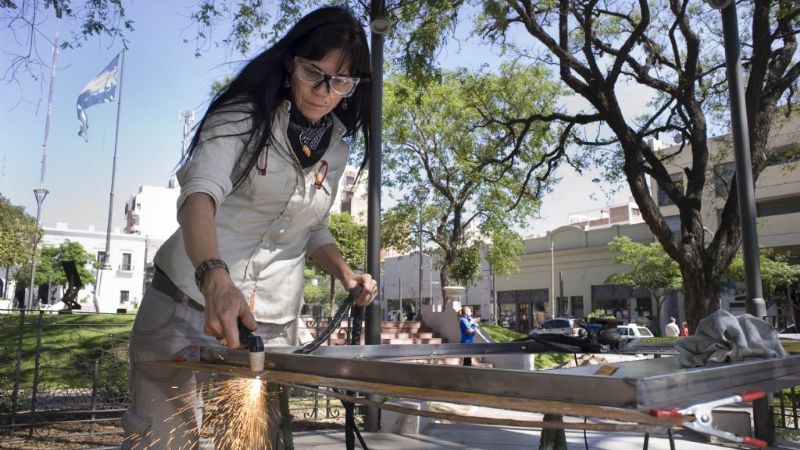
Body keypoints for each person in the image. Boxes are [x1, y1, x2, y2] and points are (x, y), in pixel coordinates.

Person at [121, 7, 377, 449]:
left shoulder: (336, 148)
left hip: (270, 325)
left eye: (340, 82)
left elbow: (310, 227)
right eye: (313, 72)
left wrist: (346, 273)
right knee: (163, 441)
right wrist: (214, 277)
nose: (323, 90)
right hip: (186, 304)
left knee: (250, 442)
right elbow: (199, 195)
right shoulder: (242, 116)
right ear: (291, 62)